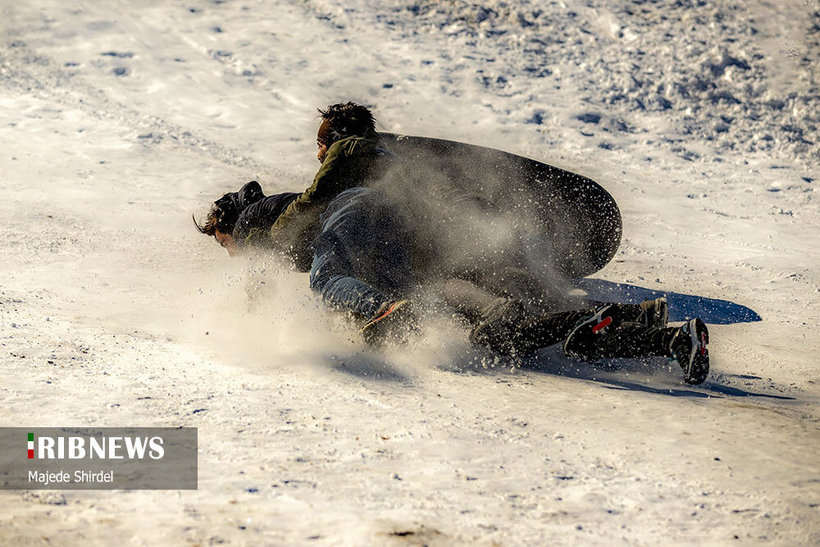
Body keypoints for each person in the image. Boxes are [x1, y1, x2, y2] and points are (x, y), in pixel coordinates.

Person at [194, 102, 711, 384]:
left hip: (363, 214)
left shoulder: (274, 203)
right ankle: (658, 333)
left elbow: (275, 241)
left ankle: (382, 311)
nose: (230, 251)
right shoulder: (398, 167)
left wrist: (250, 273)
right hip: (419, 241)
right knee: (491, 324)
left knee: (328, 278)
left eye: (223, 243)